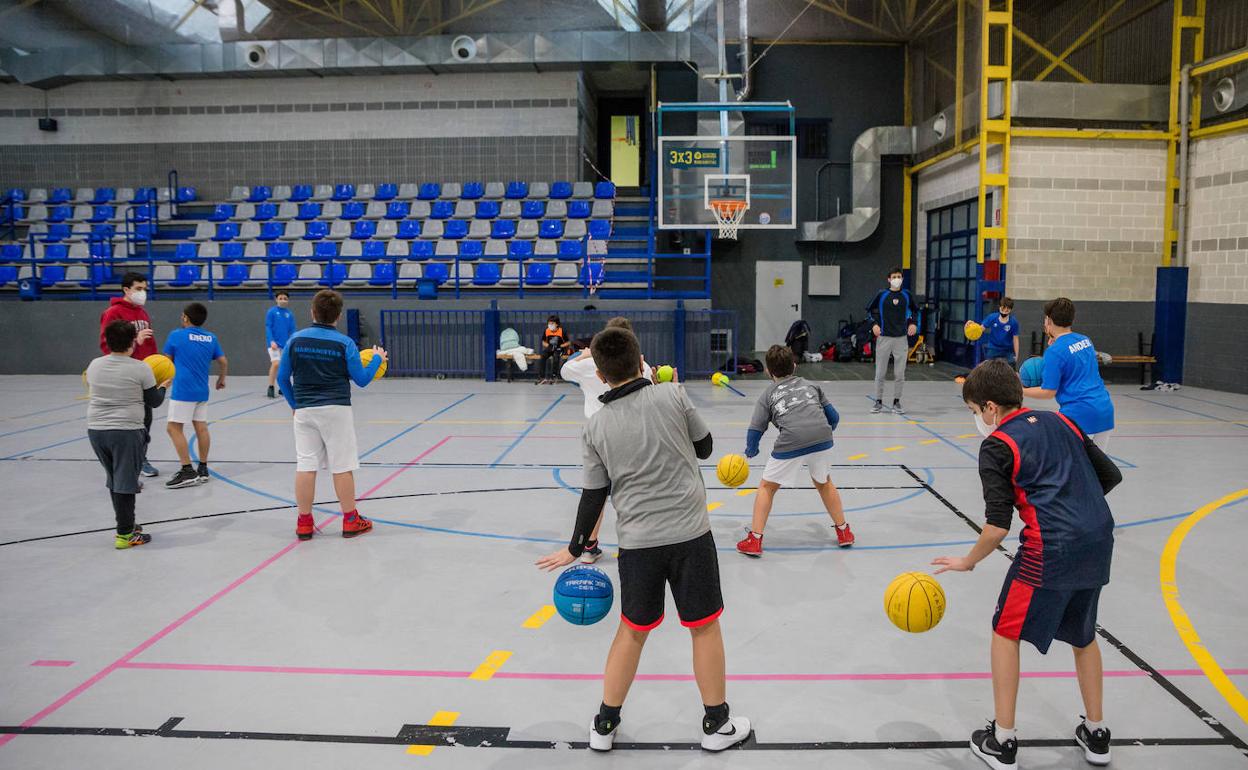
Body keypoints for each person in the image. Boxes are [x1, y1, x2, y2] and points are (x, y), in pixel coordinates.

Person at [536, 327, 751, 753]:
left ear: (598, 373)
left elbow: (594, 495)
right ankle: (716, 725)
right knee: (704, 628)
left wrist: (576, 547)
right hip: (691, 536)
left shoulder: (594, 426)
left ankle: (604, 724)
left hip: (637, 546)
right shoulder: (673, 394)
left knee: (632, 632)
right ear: (641, 362)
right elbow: (705, 448)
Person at [932, 359, 1121, 769]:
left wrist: (968, 561)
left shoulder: (997, 444)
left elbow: (997, 528)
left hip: (1048, 548)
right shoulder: (1063, 422)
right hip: (1098, 539)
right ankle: (1097, 732)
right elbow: (1109, 475)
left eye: (974, 412)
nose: (977, 421)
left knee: (1005, 631)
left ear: (990, 408)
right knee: (1084, 635)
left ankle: (1002, 740)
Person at [277, 289, 386, 540]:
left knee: (305, 465)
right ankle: (350, 520)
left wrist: (295, 404)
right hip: (336, 409)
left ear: (312, 312)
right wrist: (376, 359)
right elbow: (361, 380)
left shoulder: (295, 340)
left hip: (305, 409)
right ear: (338, 316)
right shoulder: (345, 343)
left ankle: (304, 523)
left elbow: (283, 378)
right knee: (342, 466)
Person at [737, 345, 854, 557]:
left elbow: (756, 428)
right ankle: (844, 532)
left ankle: (754, 540)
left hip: (791, 440)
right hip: (823, 438)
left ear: (768, 372)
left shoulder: (767, 395)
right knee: (824, 483)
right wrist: (821, 433)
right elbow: (834, 418)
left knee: (767, 487)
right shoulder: (811, 386)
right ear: (794, 365)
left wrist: (750, 450)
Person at [560, 316, 653, 564]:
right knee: (633, 488)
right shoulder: (642, 366)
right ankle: (636, 543)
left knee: (596, 490)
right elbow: (652, 389)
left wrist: (582, 357)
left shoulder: (589, 364)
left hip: (597, 435)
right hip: (631, 433)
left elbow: (564, 370)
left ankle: (589, 546)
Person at [87, 320, 168, 549]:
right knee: (126, 483)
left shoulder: (94, 365)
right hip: (126, 431)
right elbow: (154, 401)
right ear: (133, 342)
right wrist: (163, 386)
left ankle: (127, 524)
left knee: (114, 479)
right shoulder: (140, 368)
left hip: (96, 430)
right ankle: (125, 534)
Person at [1021, 298, 1115, 447]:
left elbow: (1048, 392)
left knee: (1072, 467)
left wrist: (1021, 391)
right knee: (1096, 468)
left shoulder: (1054, 352)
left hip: (1080, 415)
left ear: (1049, 321)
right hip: (1104, 410)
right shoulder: (1085, 340)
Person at [99, 272, 160, 478]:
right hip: (125, 374)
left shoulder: (142, 313)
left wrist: (156, 368)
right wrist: (136, 342)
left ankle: (140, 457)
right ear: (126, 290)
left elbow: (150, 345)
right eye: (139, 289)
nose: (142, 293)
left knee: (146, 418)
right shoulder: (112, 313)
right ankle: (130, 459)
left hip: (144, 371)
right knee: (130, 420)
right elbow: (107, 346)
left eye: (144, 289)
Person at [163, 302, 228, 489]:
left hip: (183, 390)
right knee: (201, 428)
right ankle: (203, 468)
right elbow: (223, 361)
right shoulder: (211, 337)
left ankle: (187, 470)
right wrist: (221, 379)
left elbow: (166, 362)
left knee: (173, 428)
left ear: (185, 317)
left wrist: (164, 380)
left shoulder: (176, 335)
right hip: (202, 390)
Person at [866, 266, 919, 415]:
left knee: (899, 373)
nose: (897, 279)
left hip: (901, 339)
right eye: (894, 277)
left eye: (899, 277)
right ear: (889, 279)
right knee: (880, 372)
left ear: (902, 279)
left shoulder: (906, 295)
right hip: (884, 338)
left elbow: (915, 310)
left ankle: (897, 401)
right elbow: (869, 310)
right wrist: (874, 325)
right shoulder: (881, 295)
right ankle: (878, 401)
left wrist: (913, 323)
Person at [265, 290, 296, 399]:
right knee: (276, 364)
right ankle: (271, 386)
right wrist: (271, 341)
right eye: (280, 298)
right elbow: (268, 327)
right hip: (274, 344)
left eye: (285, 299)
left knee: (285, 366)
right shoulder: (272, 312)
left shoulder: (289, 314)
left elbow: (292, 330)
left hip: (285, 344)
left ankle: (283, 387)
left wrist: (292, 341)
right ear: (276, 299)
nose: (283, 300)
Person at [980, 297, 1020, 366]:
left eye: (1007, 310)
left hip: (1008, 350)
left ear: (1010, 310)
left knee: (1012, 367)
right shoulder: (992, 317)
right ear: (999, 307)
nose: (1004, 311)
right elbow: (980, 329)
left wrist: (1016, 355)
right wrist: (971, 326)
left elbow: (1015, 339)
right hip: (993, 348)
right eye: (1003, 309)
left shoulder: (1013, 322)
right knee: (988, 368)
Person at [537, 314, 570, 385]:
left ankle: (554, 377)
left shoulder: (562, 331)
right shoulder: (547, 331)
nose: (550, 325)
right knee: (542, 356)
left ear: (557, 324)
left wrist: (560, 346)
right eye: (549, 323)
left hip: (559, 349)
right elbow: (543, 342)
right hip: (550, 348)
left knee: (556, 357)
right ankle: (542, 377)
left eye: (552, 323)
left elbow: (568, 342)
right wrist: (549, 346)